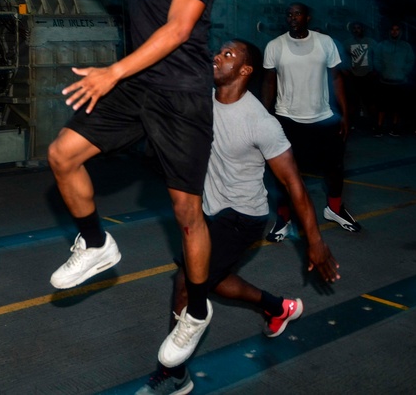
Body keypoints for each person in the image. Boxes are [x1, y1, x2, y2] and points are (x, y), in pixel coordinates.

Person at [5, 0, 219, 367]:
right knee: (62, 155)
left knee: (188, 214)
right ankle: (97, 244)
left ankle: (197, 308)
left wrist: (112, 72)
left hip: (180, 95)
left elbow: (178, 31)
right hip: (135, 87)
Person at [138, 40, 341, 395]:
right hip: (210, 211)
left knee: (187, 282)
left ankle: (174, 373)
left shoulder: (260, 123)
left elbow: (294, 185)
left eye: (228, 54)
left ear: (245, 71)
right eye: (218, 51)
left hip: (244, 216)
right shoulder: (204, 99)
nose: (217, 56)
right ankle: (277, 308)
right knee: (213, 280)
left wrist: (316, 241)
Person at [262, 2, 360, 240]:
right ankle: (283, 219)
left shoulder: (325, 42)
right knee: (283, 174)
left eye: (297, 14)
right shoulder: (275, 46)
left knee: (335, 169)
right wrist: (264, 117)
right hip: (287, 119)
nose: (292, 17)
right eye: (289, 14)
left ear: (307, 17)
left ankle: (335, 209)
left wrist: (345, 114)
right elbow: (268, 82)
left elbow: (336, 79)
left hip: (323, 118)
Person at [372, 22, 415, 136]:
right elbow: (376, 59)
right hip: (384, 81)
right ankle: (379, 127)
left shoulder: (406, 46)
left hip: (400, 82)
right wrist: (381, 71)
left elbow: (410, 61)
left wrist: (404, 72)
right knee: (382, 106)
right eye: (392, 29)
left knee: (397, 107)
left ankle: (395, 127)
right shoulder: (381, 45)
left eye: (397, 29)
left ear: (400, 32)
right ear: (389, 31)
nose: (394, 31)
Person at [342, 21, 375, 130]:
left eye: (358, 28)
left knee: (369, 101)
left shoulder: (371, 42)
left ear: (362, 29)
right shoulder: (347, 43)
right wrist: (346, 70)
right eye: (354, 28)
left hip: (367, 75)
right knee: (352, 101)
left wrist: (373, 70)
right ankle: (352, 123)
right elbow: (343, 58)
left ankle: (372, 124)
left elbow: (377, 56)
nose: (356, 30)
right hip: (353, 75)